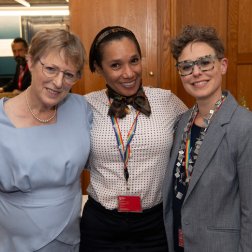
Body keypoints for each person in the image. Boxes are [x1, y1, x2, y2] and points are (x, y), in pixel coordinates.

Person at [79, 26, 188, 252]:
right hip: (101, 225)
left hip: (155, 224)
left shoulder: (167, 101)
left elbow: (200, 136)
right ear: (99, 68)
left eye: (134, 60)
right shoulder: (84, 106)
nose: (128, 73)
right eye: (115, 65)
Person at [0, 28, 92, 251]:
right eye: (50, 69)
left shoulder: (80, 109)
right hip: (13, 241)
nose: (58, 82)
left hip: (71, 236)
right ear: (30, 62)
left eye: (69, 74)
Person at [163, 25, 252, 252]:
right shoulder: (183, 121)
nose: (196, 72)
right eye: (186, 66)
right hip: (179, 242)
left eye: (204, 62)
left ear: (222, 66)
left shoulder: (244, 126)